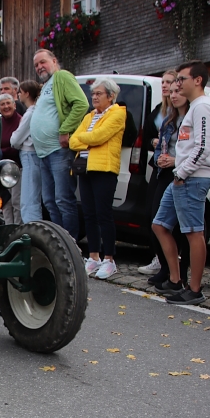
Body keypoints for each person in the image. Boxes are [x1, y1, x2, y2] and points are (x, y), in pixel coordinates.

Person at [152, 60, 210, 305]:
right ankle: (175, 280)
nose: (177, 84)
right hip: (183, 176)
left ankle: (194, 289)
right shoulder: (194, 108)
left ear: (197, 80)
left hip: (192, 178)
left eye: (182, 79)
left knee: (193, 232)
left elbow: (203, 147)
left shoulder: (203, 107)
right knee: (159, 225)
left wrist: (181, 173)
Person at [69, 78, 126, 279]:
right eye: (93, 94)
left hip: (104, 169)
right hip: (85, 169)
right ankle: (93, 256)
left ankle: (109, 259)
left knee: (104, 214)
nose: (94, 97)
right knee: (89, 214)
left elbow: (99, 136)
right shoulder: (89, 116)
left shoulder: (118, 113)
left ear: (110, 96)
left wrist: (86, 138)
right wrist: (89, 140)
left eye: (99, 93)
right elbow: (72, 140)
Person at [30, 49, 88, 240]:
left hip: (59, 151)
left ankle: (70, 244)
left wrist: (65, 129)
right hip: (43, 154)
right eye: (36, 65)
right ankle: (58, 242)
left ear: (54, 61)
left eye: (43, 62)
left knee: (63, 200)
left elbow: (81, 103)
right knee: (49, 201)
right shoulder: (45, 86)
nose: (39, 67)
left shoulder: (62, 77)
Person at [145, 80, 190, 288]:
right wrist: (159, 159)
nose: (173, 95)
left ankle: (181, 274)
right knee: (157, 221)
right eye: (170, 92)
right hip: (163, 173)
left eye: (177, 91)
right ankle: (167, 269)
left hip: (184, 174)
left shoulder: (193, 117)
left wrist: (175, 161)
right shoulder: (168, 119)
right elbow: (158, 147)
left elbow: (196, 151)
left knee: (182, 228)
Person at [138, 69, 178, 275]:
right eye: (163, 82)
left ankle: (171, 265)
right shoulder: (158, 110)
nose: (164, 86)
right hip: (158, 166)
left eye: (169, 82)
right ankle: (159, 259)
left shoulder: (181, 112)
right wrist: (154, 141)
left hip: (175, 168)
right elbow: (146, 137)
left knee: (165, 218)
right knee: (151, 215)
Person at [10, 80, 41, 222]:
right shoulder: (38, 111)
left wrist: (14, 138)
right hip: (33, 154)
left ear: (27, 94)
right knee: (32, 196)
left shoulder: (30, 114)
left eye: (20, 92)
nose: (18, 95)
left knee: (28, 198)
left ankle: (31, 227)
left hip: (28, 154)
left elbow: (15, 140)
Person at [0, 93, 22, 224]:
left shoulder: (20, 121)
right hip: (2, 169)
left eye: (8, 103)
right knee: (5, 202)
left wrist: (2, 151)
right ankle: (7, 228)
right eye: (2, 104)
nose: (6, 106)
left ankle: (17, 228)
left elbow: (17, 145)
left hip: (17, 168)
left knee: (16, 201)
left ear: (14, 105)